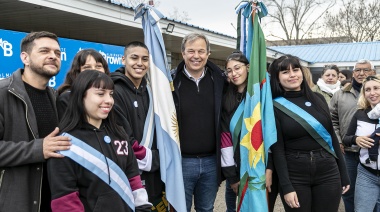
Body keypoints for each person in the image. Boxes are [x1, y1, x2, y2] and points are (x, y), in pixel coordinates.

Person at [48, 70, 151, 211]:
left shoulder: (120, 134)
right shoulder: (64, 143)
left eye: (111, 94)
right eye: (100, 94)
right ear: (81, 96)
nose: (109, 100)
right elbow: (65, 199)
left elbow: (133, 177)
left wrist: (143, 207)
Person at [0, 31, 72, 211]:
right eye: (44, 51)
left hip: (53, 200)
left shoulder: (56, 97)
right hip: (16, 203)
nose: (53, 56)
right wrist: (38, 149)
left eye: (57, 53)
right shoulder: (3, 93)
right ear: (25, 57)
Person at [269, 54, 350, 211]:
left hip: (327, 170)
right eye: (285, 72)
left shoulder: (318, 98)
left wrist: (343, 172)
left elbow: (331, 136)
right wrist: (286, 187)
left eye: (296, 70)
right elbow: (278, 150)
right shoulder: (274, 106)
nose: (292, 75)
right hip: (295, 173)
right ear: (277, 78)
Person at [172, 33, 226, 212]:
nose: (196, 56)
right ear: (183, 53)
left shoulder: (220, 81)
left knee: (206, 208)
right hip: (182, 162)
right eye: (191, 51)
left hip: (211, 161)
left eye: (201, 51)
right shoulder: (171, 82)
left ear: (208, 54)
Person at [111, 41, 166, 210]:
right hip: (130, 172)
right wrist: (158, 159)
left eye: (145, 59)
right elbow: (122, 136)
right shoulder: (114, 90)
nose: (140, 63)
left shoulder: (152, 90)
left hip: (154, 177)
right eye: (134, 58)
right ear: (123, 59)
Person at [220, 51, 278, 212]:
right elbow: (225, 139)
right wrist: (231, 176)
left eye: (237, 68)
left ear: (248, 67)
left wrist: (269, 168)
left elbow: (269, 134)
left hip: (257, 167)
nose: (234, 73)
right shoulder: (225, 99)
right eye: (229, 70)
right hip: (236, 168)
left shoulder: (261, 97)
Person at [330, 59, 376, 212]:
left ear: (373, 73)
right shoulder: (339, 94)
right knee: (348, 191)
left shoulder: (375, 92)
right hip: (348, 152)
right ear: (353, 72)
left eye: (366, 70)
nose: (361, 73)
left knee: (372, 194)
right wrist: (339, 142)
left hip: (373, 153)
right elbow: (332, 120)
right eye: (357, 70)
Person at [343, 75, 380, 212]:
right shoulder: (360, 114)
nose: (372, 93)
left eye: (376, 88)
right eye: (368, 89)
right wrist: (356, 139)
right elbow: (346, 138)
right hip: (367, 174)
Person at [57, 49, 110, 119]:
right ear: (78, 72)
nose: (94, 70)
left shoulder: (110, 95)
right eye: (87, 67)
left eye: (98, 66)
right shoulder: (67, 98)